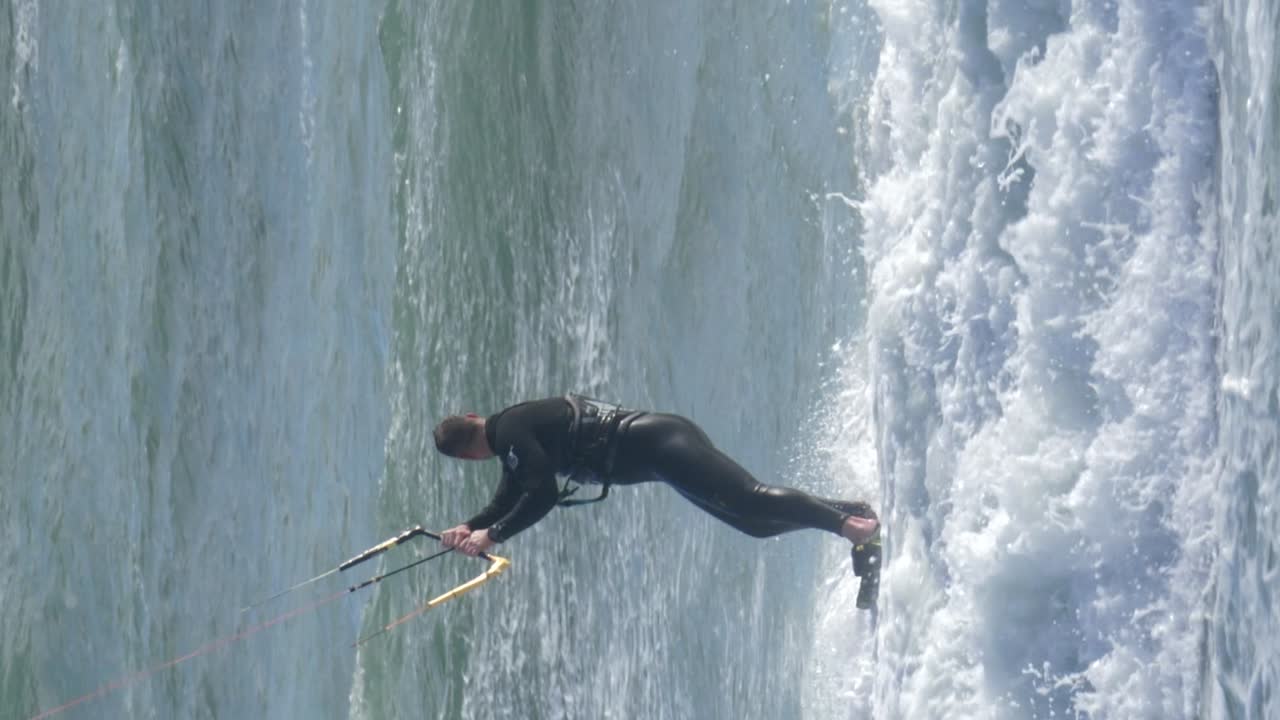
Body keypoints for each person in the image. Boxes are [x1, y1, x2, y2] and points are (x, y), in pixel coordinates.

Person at [434, 394, 882, 607]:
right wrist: (469, 527)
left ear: (469, 456)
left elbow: (542, 494)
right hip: (660, 452)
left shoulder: (511, 435)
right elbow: (512, 494)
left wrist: (490, 535)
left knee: (750, 498)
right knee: (754, 523)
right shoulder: (512, 441)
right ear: (474, 417)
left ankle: (853, 528)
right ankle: (853, 514)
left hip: (659, 444)